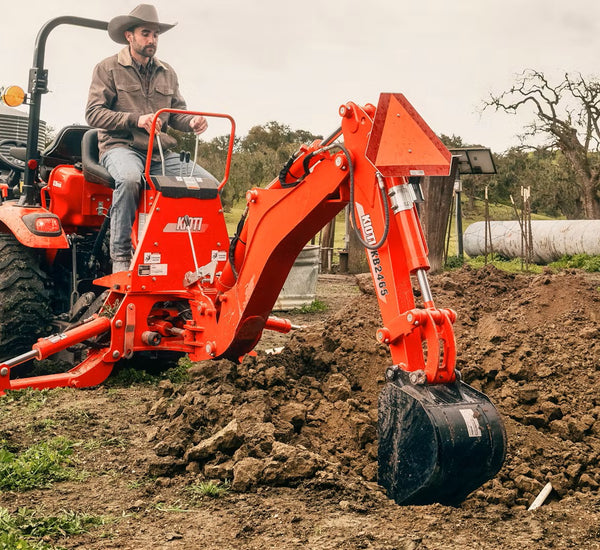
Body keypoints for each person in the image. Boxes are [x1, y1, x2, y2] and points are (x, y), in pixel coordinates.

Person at [86, 4, 217, 273]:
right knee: (130, 179)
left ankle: (191, 258)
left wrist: (192, 122)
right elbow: (93, 114)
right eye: (146, 34)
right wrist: (135, 119)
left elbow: (176, 114)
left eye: (156, 35)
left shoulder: (167, 72)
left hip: (158, 154)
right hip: (121, 147)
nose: (152, 40)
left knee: (209, 184)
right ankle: (121, 259)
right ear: (129, 36)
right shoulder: (108, 68)